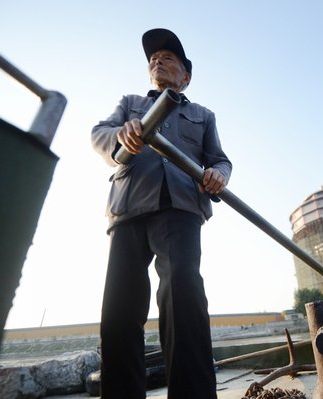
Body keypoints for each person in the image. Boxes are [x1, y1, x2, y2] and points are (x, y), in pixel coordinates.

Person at [91, 28, 232, 399]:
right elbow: (99, 133)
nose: (158, 60)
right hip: (128, 207)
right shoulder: (131, 103)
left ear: (185, 76)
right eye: (154, 59)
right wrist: (121, 135)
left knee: (183, 290)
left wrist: (219, 174)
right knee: (120, 306)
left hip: (181, 207)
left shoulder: (203, 115)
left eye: (168, 57)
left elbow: (219, 159)